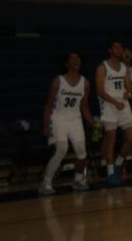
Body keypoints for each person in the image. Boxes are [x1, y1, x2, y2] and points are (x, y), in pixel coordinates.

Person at [39, 53, 94, 195]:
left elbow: (85, 107)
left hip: (75, 119)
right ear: (66, 64)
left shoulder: (85, 83)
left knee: (82, 152)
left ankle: (78, 180)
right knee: (61, 149)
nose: (76, 60)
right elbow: (48, 104)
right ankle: (46, 183)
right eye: (72, 58)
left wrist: (94, 123)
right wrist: (45, 125)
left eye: (78, 58)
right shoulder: (58, 81)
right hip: (59, 119)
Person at [96, 40, 132, 186]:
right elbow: (100, 91)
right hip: (110, 106)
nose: (119, 49)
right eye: (116, 46)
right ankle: (110, 173)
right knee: (111, 141)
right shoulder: (103, 67)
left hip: (123, 105)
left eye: (121, 46)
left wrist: (128, 94)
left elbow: (128, 86)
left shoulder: (124, 68)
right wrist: (115, 102)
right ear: (110, 50)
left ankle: (118, 162)